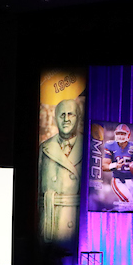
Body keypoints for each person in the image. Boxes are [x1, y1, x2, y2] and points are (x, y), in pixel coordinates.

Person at [39, 98, 84, 245]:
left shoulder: (88, 146)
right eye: (62, 114)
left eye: (70, 114)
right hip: (50, 221)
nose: (66, 119)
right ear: (55, 119)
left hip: (75, 220)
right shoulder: (44, 148)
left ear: (78, 117)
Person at [103, 124, 133, 206]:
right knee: (130, 204)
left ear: (128, 135)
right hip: (118, 180)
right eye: (118, 133)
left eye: (123, 134)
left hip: (131, 181)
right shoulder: (110, 146)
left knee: (124, 207)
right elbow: (104, 166)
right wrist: (115, 166)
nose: (120, 136)